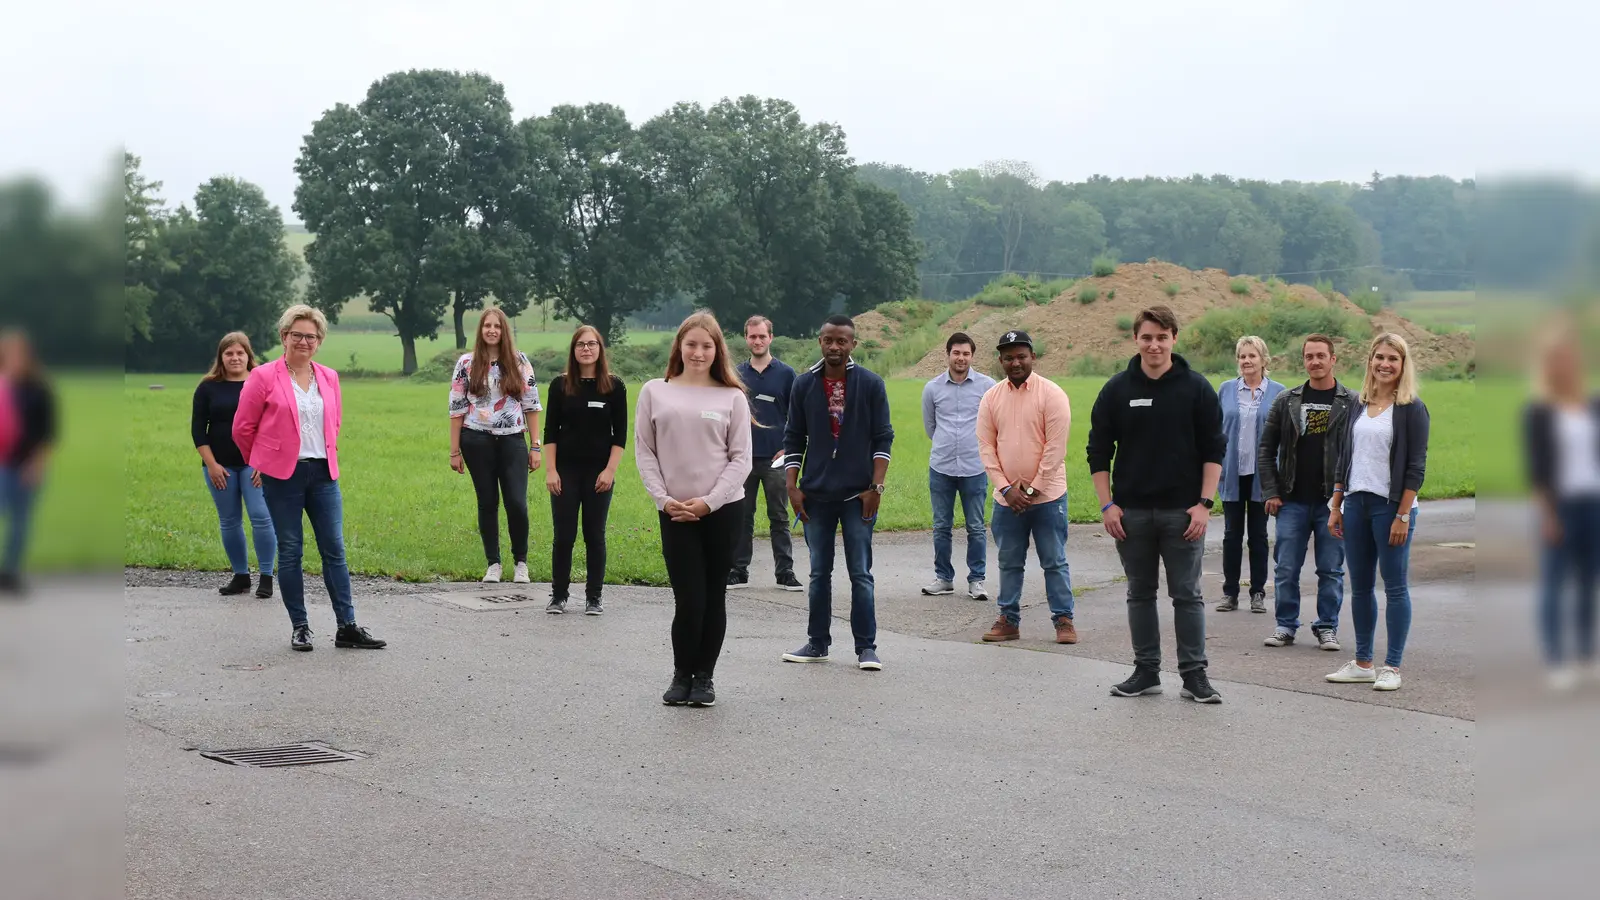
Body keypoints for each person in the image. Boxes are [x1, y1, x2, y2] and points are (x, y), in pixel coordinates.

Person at [1088, 306, 1226, 703]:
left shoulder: (1196, 388)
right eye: (1147, 337)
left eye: (1162, 337)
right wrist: (1107, 506)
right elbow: (1098, 452)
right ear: (1136, 340)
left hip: (1182, 513)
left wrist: (1204, 503)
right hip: (1130, 514)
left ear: (1174, 339)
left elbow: (1214, 449)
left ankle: (1194, 675)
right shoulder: (1117, 389)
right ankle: (1146, 671)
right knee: (1140, 593)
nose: (1154, 345)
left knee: (1187, 594)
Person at [233, 304, 386, 652]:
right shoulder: (263, 376)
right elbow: (243, 427)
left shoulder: (329, 377)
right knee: (290, 552)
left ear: (319, 341)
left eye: (311, 336)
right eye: (297, 335)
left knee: (335, 549)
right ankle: (300, 627)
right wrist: (259, 461)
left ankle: (347, 626)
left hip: (323, 474)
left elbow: (334, 423)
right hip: (282, 477)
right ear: (284, 337)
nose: (304, 341)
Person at [635, 312, 753, 708]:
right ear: (679, 347)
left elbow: (741, 460)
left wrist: (708, 503)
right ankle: (681, 673)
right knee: (688, 598)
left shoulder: (732, 397)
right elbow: (645, 451)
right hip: (674, 512)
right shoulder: (655, 391)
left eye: (707, 345)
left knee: (713, 594)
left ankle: (705, 677)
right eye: (692, 344)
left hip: (721, 512)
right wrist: (663, 500)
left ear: (717, 350)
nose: (698, 352)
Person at [780, 314, 895, 671]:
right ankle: (817, 643)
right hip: (815, 496)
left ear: (853, 345)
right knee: (818, 573)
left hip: (858, 495)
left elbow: (883, 437)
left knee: (860, 573)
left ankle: (866, 648)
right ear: (820, 341)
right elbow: (793, 438)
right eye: (829, 340)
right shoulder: (804, 385)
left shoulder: (871, 384)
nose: (835, 347)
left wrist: (875, 487)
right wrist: (792, 487)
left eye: (842, 341)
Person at [1327, 333, 1429, 692]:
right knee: (1361, 587)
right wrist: (1337, 504)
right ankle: (1363, 662)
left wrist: (1403, 515)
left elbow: (1416, 466)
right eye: (1379, 357)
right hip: (1356, 503)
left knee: (1396, 587)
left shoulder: (1411, 408)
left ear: (1403, 365)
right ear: (1370, 361)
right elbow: (1345, 458)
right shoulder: (1359, 403)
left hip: (1391, 508)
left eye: (1393, 359)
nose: (1385, 364)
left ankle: (1393, 667)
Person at [1256, 334, 1357, 651]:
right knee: (1286, 568)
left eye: (1321, 356)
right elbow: (1266, 449)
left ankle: (1327, 626)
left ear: (1333, 359)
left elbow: (1360, 451)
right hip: (1292, 500)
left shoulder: (1352, 402)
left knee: (1331, 569)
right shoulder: (1286, 400)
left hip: (1332, 503)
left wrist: (1347, 498)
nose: (1315, 361)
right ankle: (1285, 625)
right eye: (1309, 356)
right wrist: (1271, 491)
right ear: (1304, 360)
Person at [976, 330, 1077, 643]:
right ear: (1001, 361)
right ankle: (1008, 619)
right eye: (1008, 357)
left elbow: (1055, 449)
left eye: (1021, 356)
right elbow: (986, 447)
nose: (1015, 362)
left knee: (1054, 560)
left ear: (1033, 356)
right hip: (1008, 500)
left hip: (1048, 498)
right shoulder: (992, 398)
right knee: (1008, 561)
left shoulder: (1052, 394)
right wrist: (1007, 489)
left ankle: (1063, 621)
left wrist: (1032, 490)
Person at [1524, 332, 1600, 691]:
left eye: (1570, 359)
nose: (1565, 366)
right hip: (1561, 506)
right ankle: (1555, 659)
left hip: (1594, 504)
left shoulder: (1593, 405)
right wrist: (1549, 515)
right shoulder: (1539, 411)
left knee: (1589, 583)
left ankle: (1586, 656)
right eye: (1558, 360)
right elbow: (1537, 470)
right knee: (1554, 583)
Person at [448, 308, 542, 585]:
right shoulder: (466, 363)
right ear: (481, 330)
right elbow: (456, 408)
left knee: (516, 502)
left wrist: (535, 446)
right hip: (476, 440)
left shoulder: (519, 361)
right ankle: (494, 563)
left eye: (497, 326)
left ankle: (520, 562)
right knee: (487, 502)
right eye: (487, 326)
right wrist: (454, 451)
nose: (491, 330)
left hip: (513, 440)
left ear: (504, 331)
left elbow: (532, 405)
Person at [542, 325, 626, 615]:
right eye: (580, 344)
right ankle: (559, 596)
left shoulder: (614, 386)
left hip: (599, 473)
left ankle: (594, 597)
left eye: (592, 344)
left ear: (600, 349)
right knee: (564, 535)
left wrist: (610, 471)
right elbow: (550, 431)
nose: (586, 349)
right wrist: (551, 471)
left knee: (594, 534)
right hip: (566, 471)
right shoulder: (560, 385)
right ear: (573, 350)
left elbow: (621, 435)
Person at [192, 332, 276, 598]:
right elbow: (198, 430)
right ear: (221, 357)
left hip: (255, 465)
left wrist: (264, 463)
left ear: (248, 356)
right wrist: (212, 465)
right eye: (229, 353)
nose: (235, 358)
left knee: (261, 517)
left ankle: (266, 576)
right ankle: (240, 576)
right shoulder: (207, 387)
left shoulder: (262, 383)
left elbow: (272, 427)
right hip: (220, 467)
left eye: (240, 353)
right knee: (229, 521)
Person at [921, 332, 996, 600]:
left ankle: (977, 579)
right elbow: (931, 426)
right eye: (956, 353)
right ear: (948, 354)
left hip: (974, 467)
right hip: (941, 466)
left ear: (972, 356)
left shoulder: (988, 386)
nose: (961, 358)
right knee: (941, 525)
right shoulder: (932, 388)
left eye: (966, 353)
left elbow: (994, 425)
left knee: (975, 526)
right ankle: (944, 578)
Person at [730, 315, 801, 591]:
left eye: (762, 336)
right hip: (743, 458)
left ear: (771, 337)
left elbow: (797, 416)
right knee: (742, 516)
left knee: (779, 516)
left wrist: (789, 448)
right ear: (745, 338)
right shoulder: (736, 374)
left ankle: (785, 572)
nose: (757, 341)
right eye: (752, 336)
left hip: (776, 457)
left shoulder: (786, 374)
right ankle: (738, 570)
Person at [1215, 335, 1285, 613]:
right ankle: (1230, 592)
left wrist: (1278, 481)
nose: (1246, 361)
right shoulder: (1226, 390)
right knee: (1232, 534)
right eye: (1242, 356)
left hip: (1262, 476)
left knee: (1258, 535)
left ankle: (1258, 592)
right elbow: (1216, 430)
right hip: (1232, 472)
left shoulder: (1278, 392)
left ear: (1263, 360)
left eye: (1252, 356)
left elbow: (1284, 437)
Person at [0, 330, 57, 595]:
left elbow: (48, 433)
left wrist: (37, 465)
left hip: (26, 465)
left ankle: (10, 572)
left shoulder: (39, 390)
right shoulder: (3, 387)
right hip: (2, 464)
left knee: (20, 523)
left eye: (19, 354)